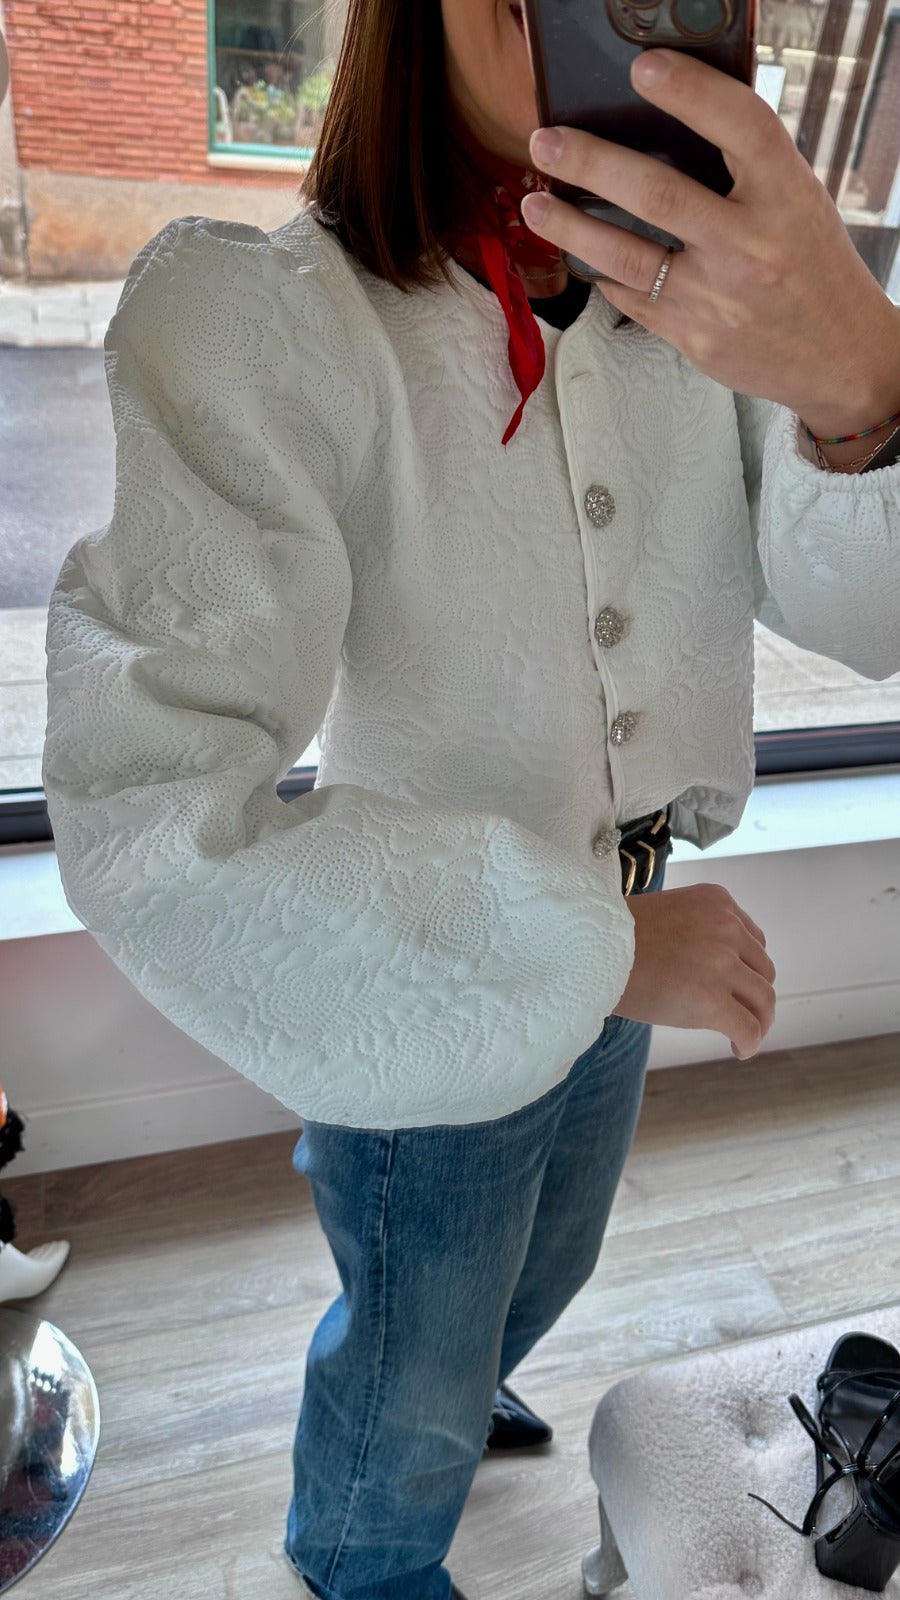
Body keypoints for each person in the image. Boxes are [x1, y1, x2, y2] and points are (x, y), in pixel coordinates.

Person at [42, 2, 900, 1597]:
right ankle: (359, 1545)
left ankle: (441, 1358)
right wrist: (605, 946)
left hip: (630, 929)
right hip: (426, 968)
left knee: (542, 1263)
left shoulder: (715, 308)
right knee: (413, 1359)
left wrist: (866, 396)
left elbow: (864, 612)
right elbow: (152, 815)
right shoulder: (265, 321)